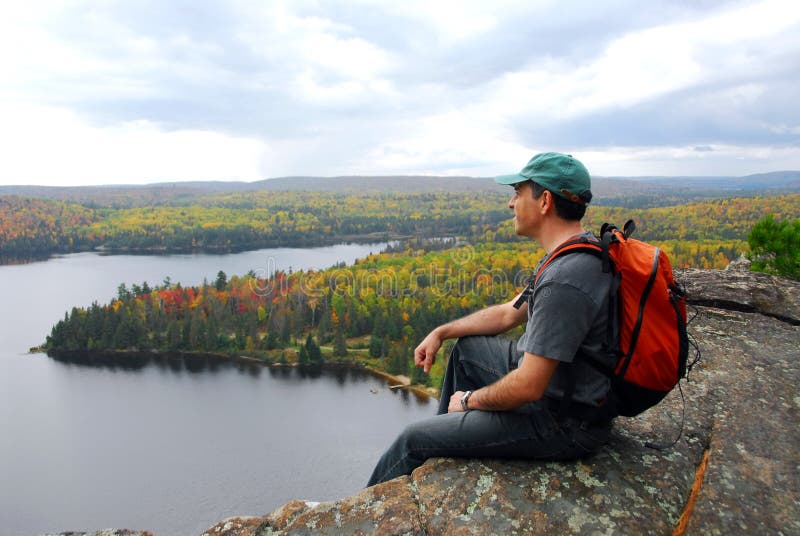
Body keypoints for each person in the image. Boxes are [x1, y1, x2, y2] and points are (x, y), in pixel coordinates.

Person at [367, 152, 616, 486]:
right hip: (564, 391)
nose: (511, 203)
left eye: (517, 192)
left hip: (564, 422)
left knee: (412, 439)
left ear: (543, 201)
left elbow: (529, 385)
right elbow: (506, 314)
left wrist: (469, 401)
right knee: (466, 350)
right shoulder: (575, 251)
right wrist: (442, 331)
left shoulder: (565, 279)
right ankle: (448, 442)